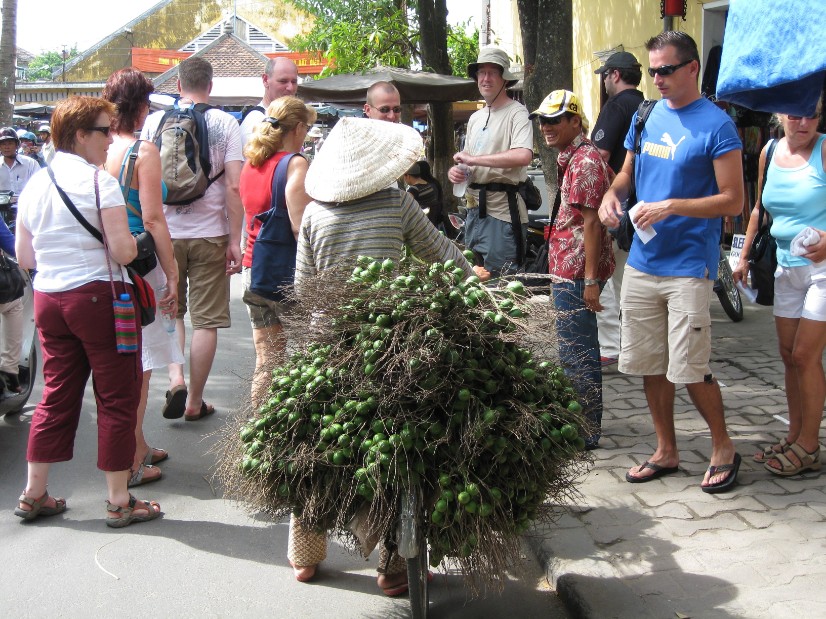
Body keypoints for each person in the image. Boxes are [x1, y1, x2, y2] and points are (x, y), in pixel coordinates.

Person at [291, 117, 481, 590]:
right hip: (391, 344)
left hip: (330, 347)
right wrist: (474, 279)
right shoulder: (398, 203)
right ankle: (394, 568)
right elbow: (440, 254)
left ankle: (306, 555)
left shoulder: (315, 214)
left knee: (316, 448)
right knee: (404, 444)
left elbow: (303, 290)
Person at [598, 31, 743, 493]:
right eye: (653, 70)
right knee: (649, 364)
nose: (657, 78)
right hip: (643, 262)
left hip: (688, 266)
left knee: (691, 366)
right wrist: (612, 194)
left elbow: (733, 201)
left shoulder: (717, 125)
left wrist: (672, 205)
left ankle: (723, 447)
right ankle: (667, 449)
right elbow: (626, 172)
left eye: (666, 70)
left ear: (692, 68)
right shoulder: (646, 113)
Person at [13, 95, 161, 526]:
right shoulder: (101, 183)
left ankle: (33, 492)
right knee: (117, 397)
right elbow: (121, 249)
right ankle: (119, 499)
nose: (110, 138)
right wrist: (135, 246)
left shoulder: (35, 184)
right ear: (79, 135)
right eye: (104, 130)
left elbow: (26, 256)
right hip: (101, 298)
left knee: (55, 394)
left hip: (49, 299)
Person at [140, 56, 244, 421]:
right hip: (210, 234)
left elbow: (141, 181)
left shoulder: (153, 122)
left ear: (179, 85)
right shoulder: (227, 123)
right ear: (210, 86)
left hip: (163, 234)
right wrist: (236, 238)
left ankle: (175, 377)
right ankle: (195, 402)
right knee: (207, 320)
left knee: (172, 309)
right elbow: (233, 185)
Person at [733, 101, 826, 476]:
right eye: (794, 113)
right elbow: (759, 209)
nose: (803, 122)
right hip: (785, 270)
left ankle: (809, 444)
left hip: (822, 271)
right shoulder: (770, 151)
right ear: (780, 116)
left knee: (805, 355)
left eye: (812, 115)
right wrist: (741, 257)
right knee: (788, 356)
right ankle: (795, 433)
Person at [103, 67, 183, 487]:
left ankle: (138, 442)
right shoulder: (143, 152)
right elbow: (153, 218)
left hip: (106, 265)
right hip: (140, 267)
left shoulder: (97, 148)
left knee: (131, 363)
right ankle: (132, 457)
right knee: (144, 365)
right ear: (140, 107)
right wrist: (171, 274)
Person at [530, 89, 614, 450]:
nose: (546, 127)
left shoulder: (584, 161)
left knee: (577, 349)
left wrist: (591, 280)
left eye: (554, 120)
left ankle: (585, 430)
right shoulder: (572, 157)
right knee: (572, 348)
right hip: (568, 268)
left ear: (575, 122)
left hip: (578, 272)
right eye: (543, 121)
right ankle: (581, 422)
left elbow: (592, 224)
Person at [239, 96, 315, 408]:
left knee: (267, 359)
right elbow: (300, 227)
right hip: (284, 274)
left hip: (253, 270)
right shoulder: (295, 163)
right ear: (297, 128)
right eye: (307, 128)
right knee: (312, 353)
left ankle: (257, 430)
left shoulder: (252, 163)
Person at [448, 46, 533, 276]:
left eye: (492, 73)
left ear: (504, 78)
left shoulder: (517, 113)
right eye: (481, 73)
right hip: (473, 212)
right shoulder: (475, 118)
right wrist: (458, 172)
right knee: (472, 281)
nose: (485, 78)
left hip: (503, 215)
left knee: (502, 287)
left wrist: (475, 159)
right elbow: (468, 163)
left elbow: (524, 155)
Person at [592, 51, 645, 367]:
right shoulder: (647, 106)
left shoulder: (616, 106)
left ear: (614, 75)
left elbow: (598, 155)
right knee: (630, 277)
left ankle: (610, 345)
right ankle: (636, 344)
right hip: (643, 207)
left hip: (617, 205)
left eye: (604, 75)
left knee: (606, 275)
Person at [240, 57, 299, 149]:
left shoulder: (291, 119)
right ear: (265, 80)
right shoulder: (256, 121)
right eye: (283, 81)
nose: (290, 88)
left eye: (294, 82)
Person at [403, 159, 443, 228]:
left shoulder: (413, 190)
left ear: (408, 176)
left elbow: (405, 206)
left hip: (421, 225)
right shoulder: (429, 185)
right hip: (432, 222)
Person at [0, 128, 40, 196]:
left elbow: (40, 186)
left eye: (10, 143)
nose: (7, 147)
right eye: (3, 144)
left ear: (17, 145)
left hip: (25, 205)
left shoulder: (31, 164)